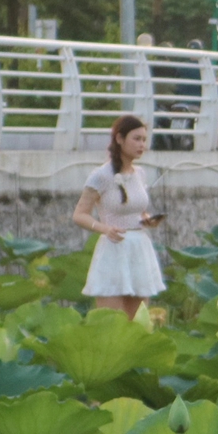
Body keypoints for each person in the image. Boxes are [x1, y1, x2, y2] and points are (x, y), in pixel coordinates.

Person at [73, 114, 165, 318]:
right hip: (114, 249)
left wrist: (146, 218)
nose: (142, 145)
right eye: (136, 139)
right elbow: (80, 215)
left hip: (139, 248)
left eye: (144, 139)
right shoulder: (101, 176)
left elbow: (136, 208)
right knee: (111, 322)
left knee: (137, 323)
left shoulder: (140, 173)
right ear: (119, 139)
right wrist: (105, 229)